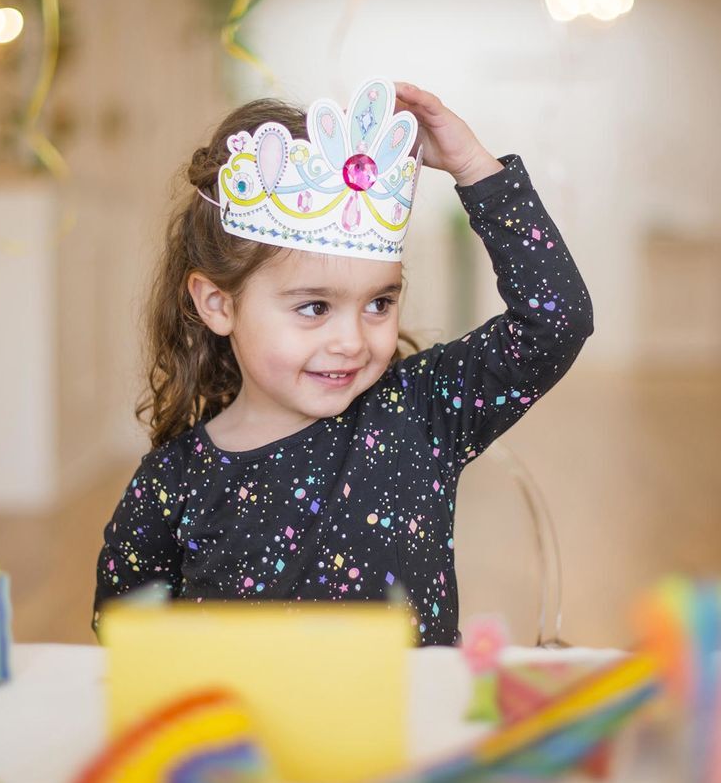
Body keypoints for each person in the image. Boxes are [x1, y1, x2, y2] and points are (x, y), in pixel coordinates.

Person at [92, 79, 593, 645]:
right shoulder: (172, 482)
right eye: (314, 307)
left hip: (416, 708)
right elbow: (125, 643)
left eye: (379, 304)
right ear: (218, 304)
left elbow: (557, 321)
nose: (353, 341)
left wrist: (474, 168)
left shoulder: (422, 411)